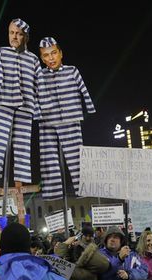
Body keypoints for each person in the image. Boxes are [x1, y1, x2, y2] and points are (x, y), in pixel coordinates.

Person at [35, 37, 95, 200]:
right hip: (48, 121)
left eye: (53, 53)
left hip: (70, 118)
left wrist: (89, 107)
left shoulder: (72, 70)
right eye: (46, 55)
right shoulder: (39, 75)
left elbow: (83, 89)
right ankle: (53, 192)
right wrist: (38, 114)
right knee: (48, 156)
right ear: (42, 58)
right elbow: (34, 96)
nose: (51, 58)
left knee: (76, 155)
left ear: (60, 53)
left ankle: (82, 189)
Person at [0, 19, 40, 185]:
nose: (14, 36)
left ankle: (21, 177)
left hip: (26, 106)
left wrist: (38, 110)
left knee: (23, 142)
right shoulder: (1, 52)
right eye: (12, 33)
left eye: (19, 33)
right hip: (4, 102)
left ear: (25, 37)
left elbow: (40, 86)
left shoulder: (33, 59)